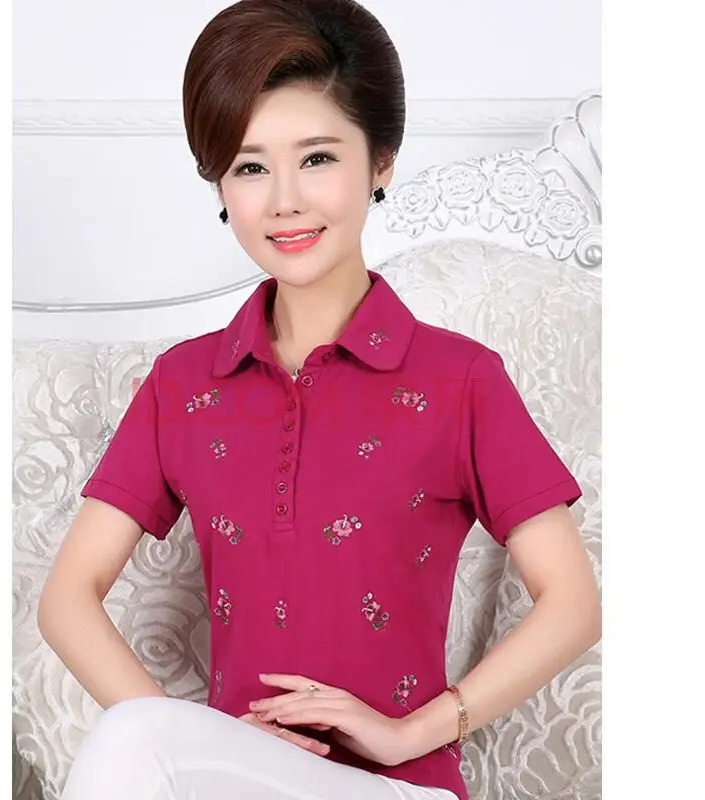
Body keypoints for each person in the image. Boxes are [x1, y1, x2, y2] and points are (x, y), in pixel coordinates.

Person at [37, 1, 602, 799]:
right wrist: (191, 738)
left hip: (398, 787)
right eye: (250, 167)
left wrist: (413, 731)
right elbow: (67, 599)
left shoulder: (460, 380)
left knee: (134, 738)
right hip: (231, 784)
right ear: (221, 185)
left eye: (318, 158)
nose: (285, 201)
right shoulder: (183, 386)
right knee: (133, 735)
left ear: (381, 162)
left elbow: (573, 603)